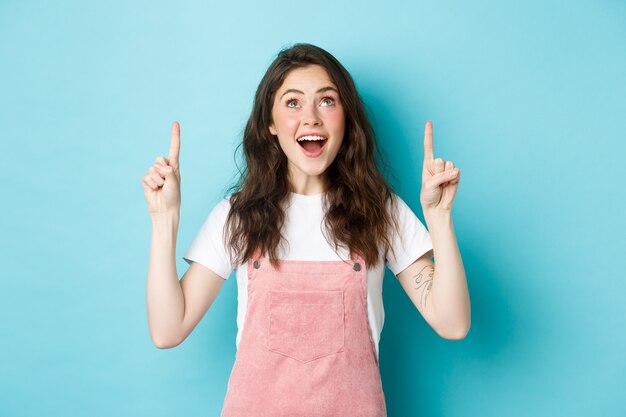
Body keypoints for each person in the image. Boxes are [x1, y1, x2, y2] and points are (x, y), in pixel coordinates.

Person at [142, 43, 470, 417]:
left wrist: (439, 217)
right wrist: (163, 219)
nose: (311, 117)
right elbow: (168, 330)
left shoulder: (382, 211)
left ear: (346, 118)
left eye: (327, 101)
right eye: (293, 103)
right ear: (270, 123)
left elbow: (453, 322)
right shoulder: (237, 217)